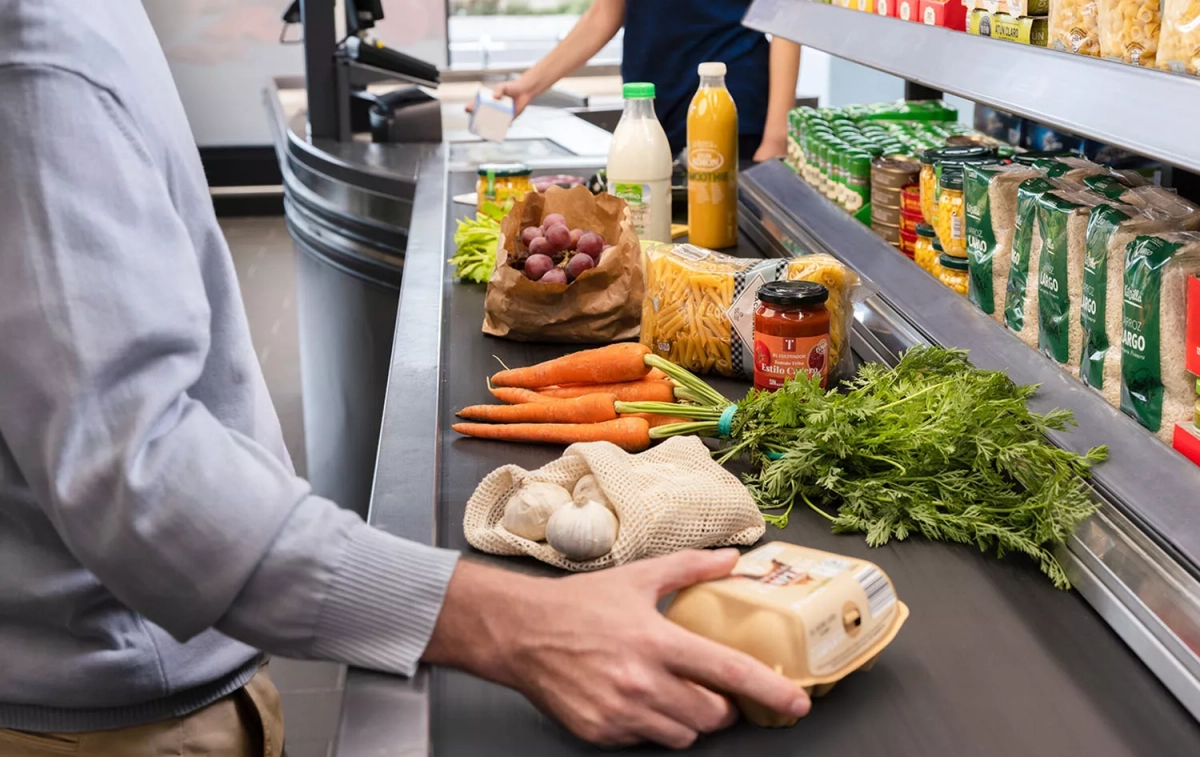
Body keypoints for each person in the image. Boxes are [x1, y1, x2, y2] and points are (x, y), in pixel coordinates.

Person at [0, 2, 810, 755]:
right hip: (113, 708)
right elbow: (140, 480)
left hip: (149, 667)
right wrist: (519, 625)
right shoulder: (37, 52)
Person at [483, 0, 801, 162]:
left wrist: (776, 137)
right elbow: (604, 14)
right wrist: (528, 86)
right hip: (650, 110)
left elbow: (786, 14)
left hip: (729, 106)